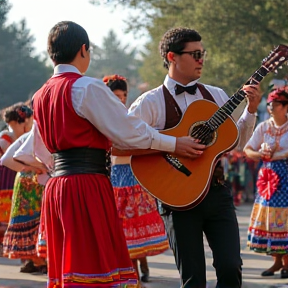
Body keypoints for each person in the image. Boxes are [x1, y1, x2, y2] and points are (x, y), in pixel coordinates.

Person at [30, 21, 197, 288]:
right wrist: (174, 143)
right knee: (94, 267)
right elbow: (129, 131)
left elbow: (38, 150)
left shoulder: (40, 96)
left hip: (57, 187)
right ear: (84, 49)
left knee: (69, 269)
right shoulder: (86, 87)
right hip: (86, 185)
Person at [127, 27, 261, 288]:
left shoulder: (217, 96)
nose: (201, 59)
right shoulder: (149, 103)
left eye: (203, 53)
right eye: (195, 53)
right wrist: (174, 144)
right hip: (176, 198)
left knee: (231, 267)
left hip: (217, 193)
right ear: (172, 57)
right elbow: (124, 144)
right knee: (193, 279)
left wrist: (252, 111)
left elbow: (237, 144)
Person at [104, 74, 169, 285]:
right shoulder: (103, 119)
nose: (121, 99)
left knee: (135, 228)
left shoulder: (131, 115)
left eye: (123, 95)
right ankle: (134, 275)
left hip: (135, 176)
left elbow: (142, 138)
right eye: (116, 95)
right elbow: (116, 150)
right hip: (115, 178)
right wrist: (145, 150)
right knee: (124, 231)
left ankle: (141, 266)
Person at [244, 87, 288, 279]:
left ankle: (286, 262)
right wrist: (260, 154)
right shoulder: (263, 127)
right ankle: (277, 261)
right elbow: (247, 149)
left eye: (275, 104)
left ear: (285, 107)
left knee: (285, 219)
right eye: (269, 104)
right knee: (270, 219)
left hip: (286, 177)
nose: (271, 107)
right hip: (267, 180)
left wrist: (282, 154)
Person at [0, 103, 33, 251]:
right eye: (11, 127)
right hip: (5, 177)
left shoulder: (26, 138)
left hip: (16, 175)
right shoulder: (5, 139)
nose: (14, 130)